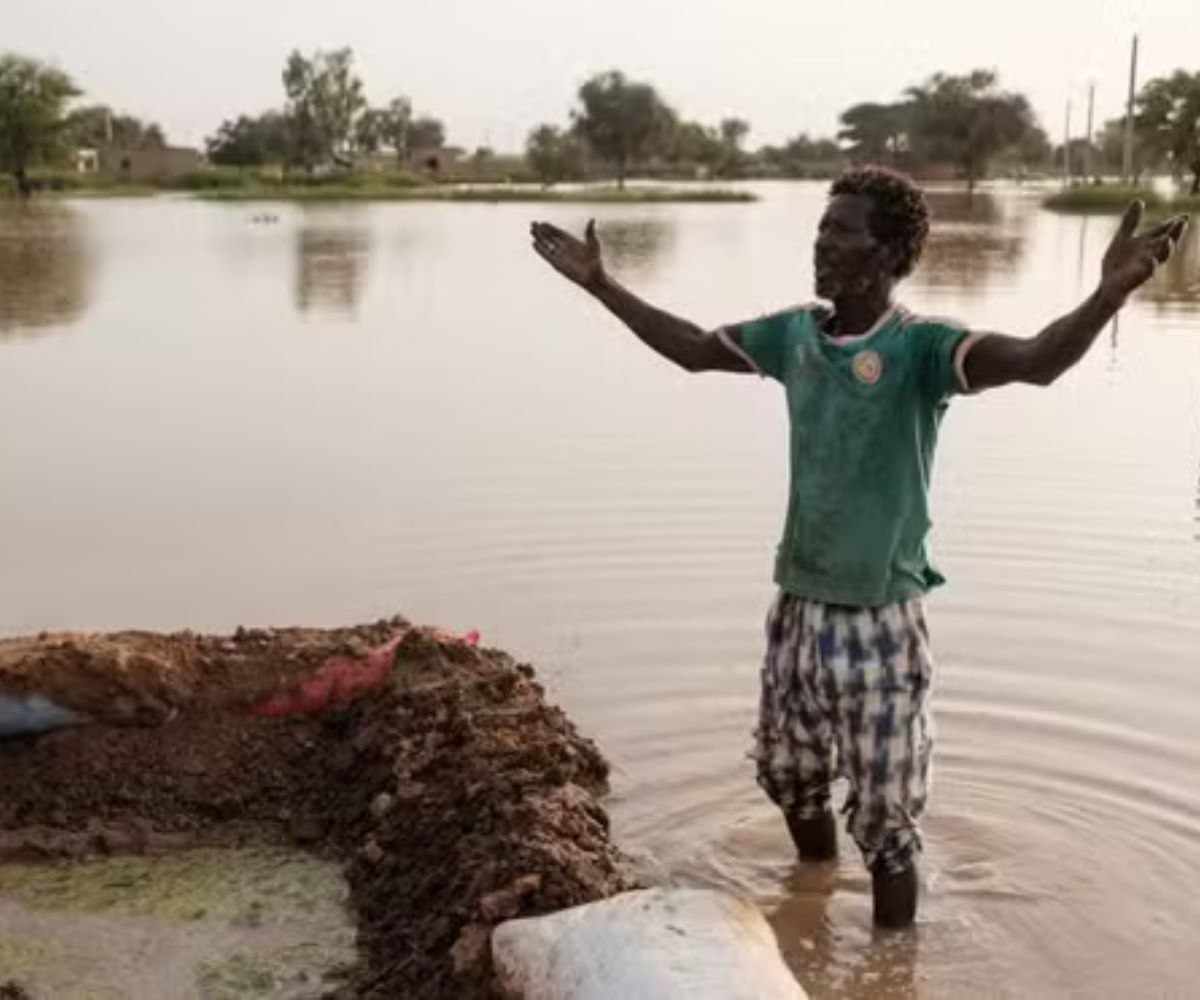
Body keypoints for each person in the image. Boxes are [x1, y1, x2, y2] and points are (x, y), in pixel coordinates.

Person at [529, 166, 1189, 929]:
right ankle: (808, 899)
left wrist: (1108, 294)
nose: (823, 241)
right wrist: (601, 286)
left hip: (881, 623)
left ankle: (888, 966)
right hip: (799, 609)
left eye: (842, 230)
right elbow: (691, 348)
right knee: (789, 778)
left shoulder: (923, 351)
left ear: (888, 252)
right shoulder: (794, 337)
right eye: (822, 226)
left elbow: (1038, 360)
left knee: (886, 828)